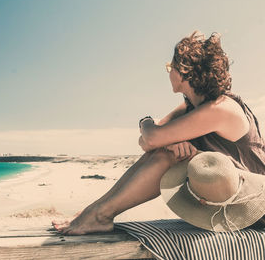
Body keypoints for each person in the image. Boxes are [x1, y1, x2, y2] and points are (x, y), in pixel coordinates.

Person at [52, 31, 265, 235]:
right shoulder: (192, 106)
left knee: (168, 155)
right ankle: (96, 210)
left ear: (184, 72)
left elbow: (152, 136)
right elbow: (147, 143)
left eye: (169, 67)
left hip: (254, 205)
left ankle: (100, 215)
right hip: (227, 197)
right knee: (163, 152)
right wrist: (164, 138)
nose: (168, 72)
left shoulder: (220, 108)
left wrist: (148, 125)